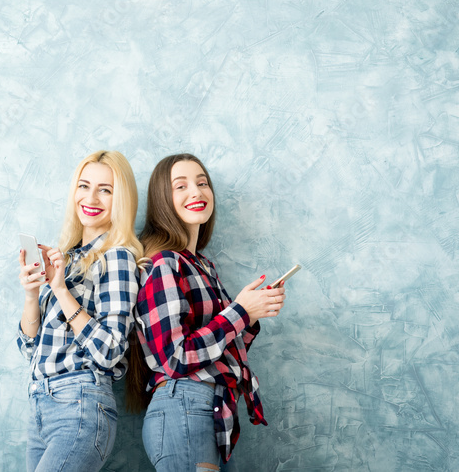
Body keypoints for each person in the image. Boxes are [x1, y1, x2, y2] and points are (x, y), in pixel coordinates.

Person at [128, 153, 286, 471]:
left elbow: (220, 351)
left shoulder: (203, 266)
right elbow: (176, 358)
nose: (196, 192)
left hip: (208, 408)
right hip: (185, 404)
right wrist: (239, 311)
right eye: (181, 186)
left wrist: (251, 314)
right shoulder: (163, 262)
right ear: (162, 199)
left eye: (202, 183)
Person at [17, 150, 143, 471]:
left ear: (121, 200)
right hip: (40, 407)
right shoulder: (68, 259)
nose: (91, 197)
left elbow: (110, 350)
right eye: (84, 186)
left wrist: (59, 290)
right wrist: (34, 294)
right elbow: (30, 348)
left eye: (106, 189)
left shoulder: (117, 258)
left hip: (80, 403)